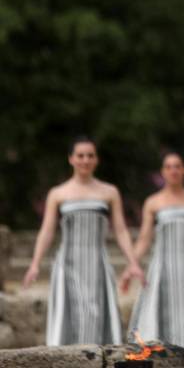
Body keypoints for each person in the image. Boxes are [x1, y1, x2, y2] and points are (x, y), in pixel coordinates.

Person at [23, 136, 144, 345]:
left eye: (90, 155)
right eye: (80, 155)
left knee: (95, 315)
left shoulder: (109, 192)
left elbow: (121, 230)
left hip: (97, 263)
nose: (85, 160)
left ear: (96, 160)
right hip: (68, 264)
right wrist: (35, 264)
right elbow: (47, 231)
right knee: (68, 317)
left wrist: (133, 263)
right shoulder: (58, 193)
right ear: (71, 159)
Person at [125, 152, 184, 368]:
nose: (173, 170)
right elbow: (145, 239)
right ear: (163, 171)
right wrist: (132, 265)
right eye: (169, 167)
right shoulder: (153, 203)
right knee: (156, 319)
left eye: (177, 166)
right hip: (161, 271)